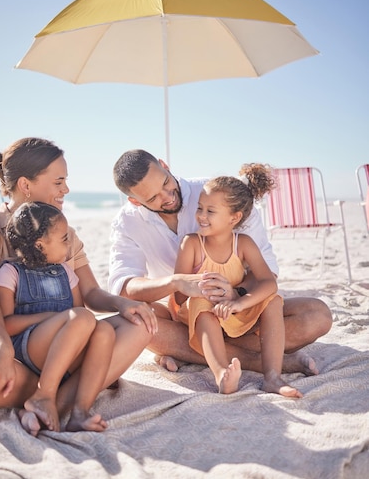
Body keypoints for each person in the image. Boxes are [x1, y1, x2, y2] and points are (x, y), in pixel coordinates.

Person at [0, 138, 157, 433]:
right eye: (58, 181)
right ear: (26, 184)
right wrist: (0, 348)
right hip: (5, 347)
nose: (66, 190)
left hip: (63, 339)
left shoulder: (63, 234)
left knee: (139, 324)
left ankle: (47, 404)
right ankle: (68, 394)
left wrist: (123, 303)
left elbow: (89, 293)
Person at [108, 148, 332, 375]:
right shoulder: (126, 222)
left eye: (166, 183)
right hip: (185, 318)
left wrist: (238, 294)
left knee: (317, 315)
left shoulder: (217, 193)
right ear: (135, 201)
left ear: (164, 166)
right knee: (134, 320)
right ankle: (256, 361)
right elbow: (124, 287)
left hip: (241, 314)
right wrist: (177, 282)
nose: (167, 197)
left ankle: (189, 352)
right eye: (153, 198)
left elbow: (267, 270)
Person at [172, 167, 302, 398]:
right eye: (200, 208)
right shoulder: (191, 244)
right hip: (197, 312)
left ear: (235, 217)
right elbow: (179, 298)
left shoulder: (244, 244)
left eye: (210, 210)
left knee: (272, 300)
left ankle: (273, 377)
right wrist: (202, 289)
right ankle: (222, 373)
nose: (201, 215)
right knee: (202, 303)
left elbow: (268, 283)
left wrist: (240, 303)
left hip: (232, 309)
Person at [0, 201, 115, 434]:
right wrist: (49, 316)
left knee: (104, 331)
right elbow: (6, 324)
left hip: (63, 351)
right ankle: (44, 394)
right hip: (29, 348)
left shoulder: (66, 273)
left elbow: (84, 322)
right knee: (81, 317)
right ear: (40, 246)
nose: (70, 243)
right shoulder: (11, 272)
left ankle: (80, 412)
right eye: (63, 239)